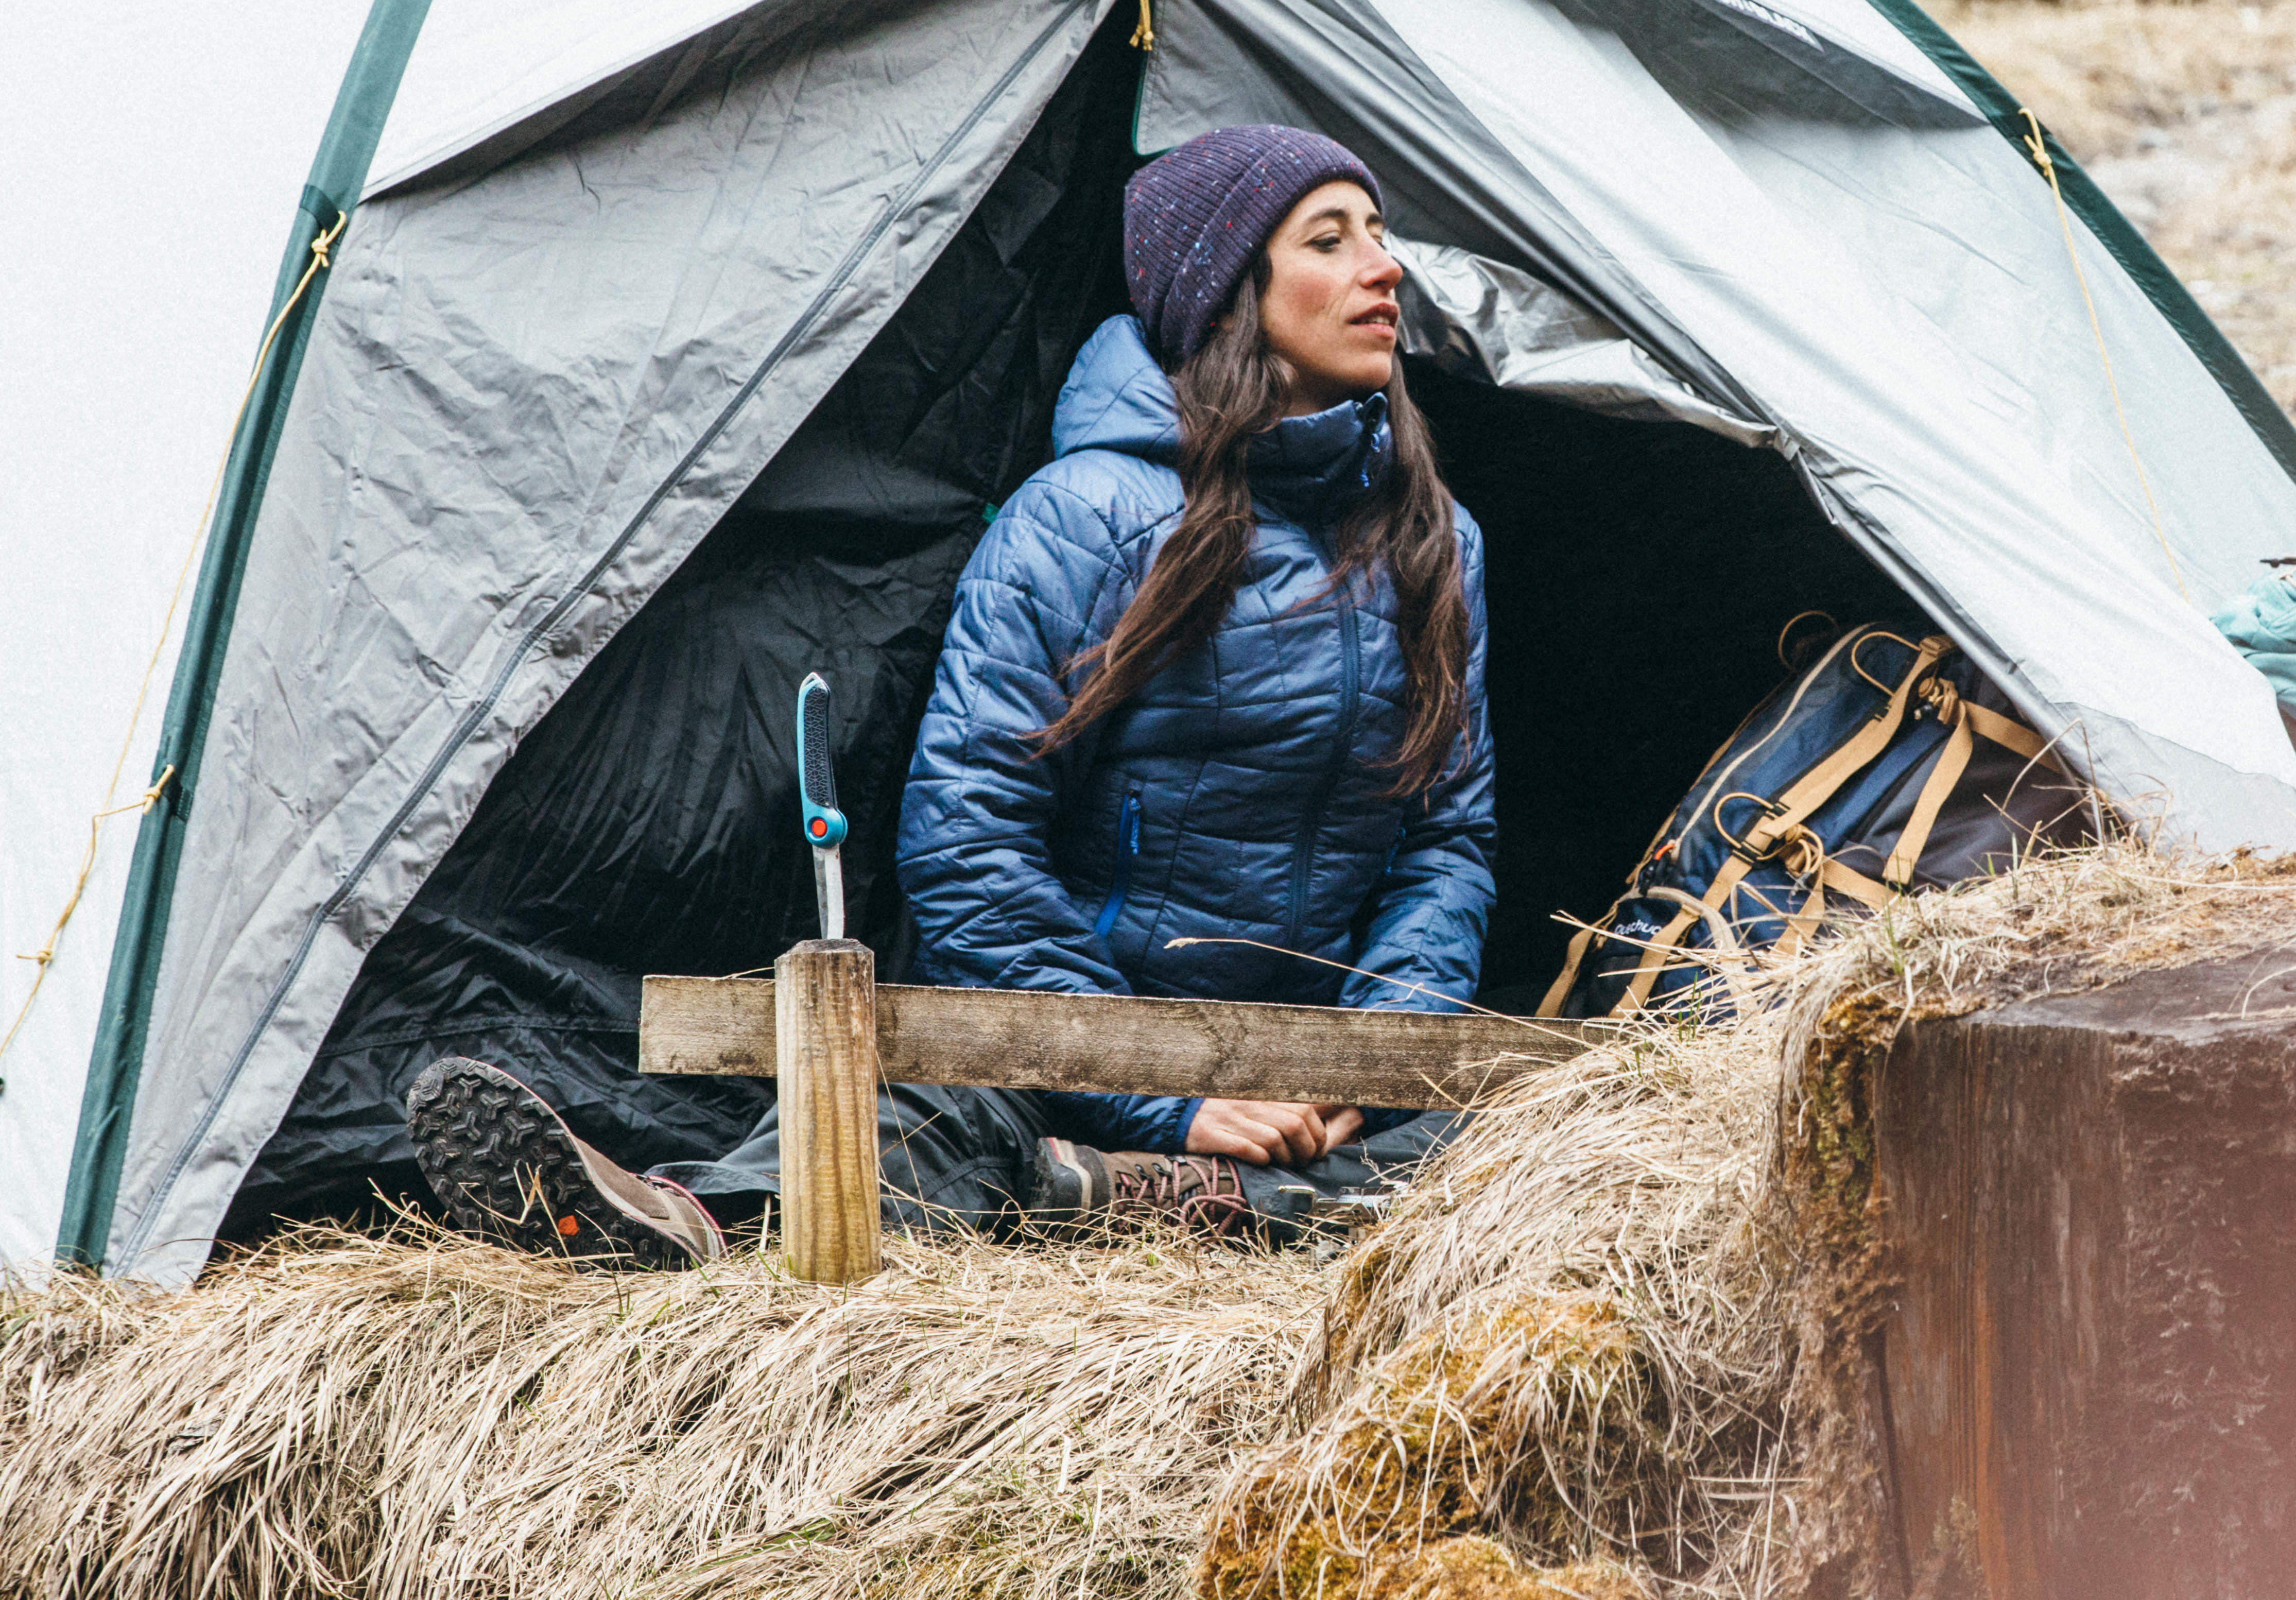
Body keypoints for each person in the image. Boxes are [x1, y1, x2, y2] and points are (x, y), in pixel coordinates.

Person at [403, 125, 1498, 1263]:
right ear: (1226, 294)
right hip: (1071, 1049)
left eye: (1379, 234)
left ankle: (1088, 1196)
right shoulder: (1081, 520)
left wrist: (1362, 1066)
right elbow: (969, 839)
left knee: (1511, 1135)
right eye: (1332, 239)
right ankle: (694, 1225)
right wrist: (1159, 1086)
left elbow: (1446, 842)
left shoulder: (1437, 543)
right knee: (924, 1101)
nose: (1386, 266)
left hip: (1310, 1093)